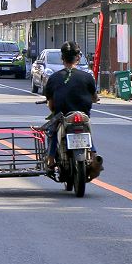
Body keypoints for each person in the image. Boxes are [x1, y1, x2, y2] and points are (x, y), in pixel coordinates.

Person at [43, 41, 101, 175]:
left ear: (62, 58)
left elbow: (51, 104)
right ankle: (93, 155)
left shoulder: (54, 78)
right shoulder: (87, 77)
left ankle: (51, 160)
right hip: (83, 117)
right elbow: (94, 97)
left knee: (52, 132)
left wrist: (53, 109)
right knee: (87, 131)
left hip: (62, 117)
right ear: (78, 58)